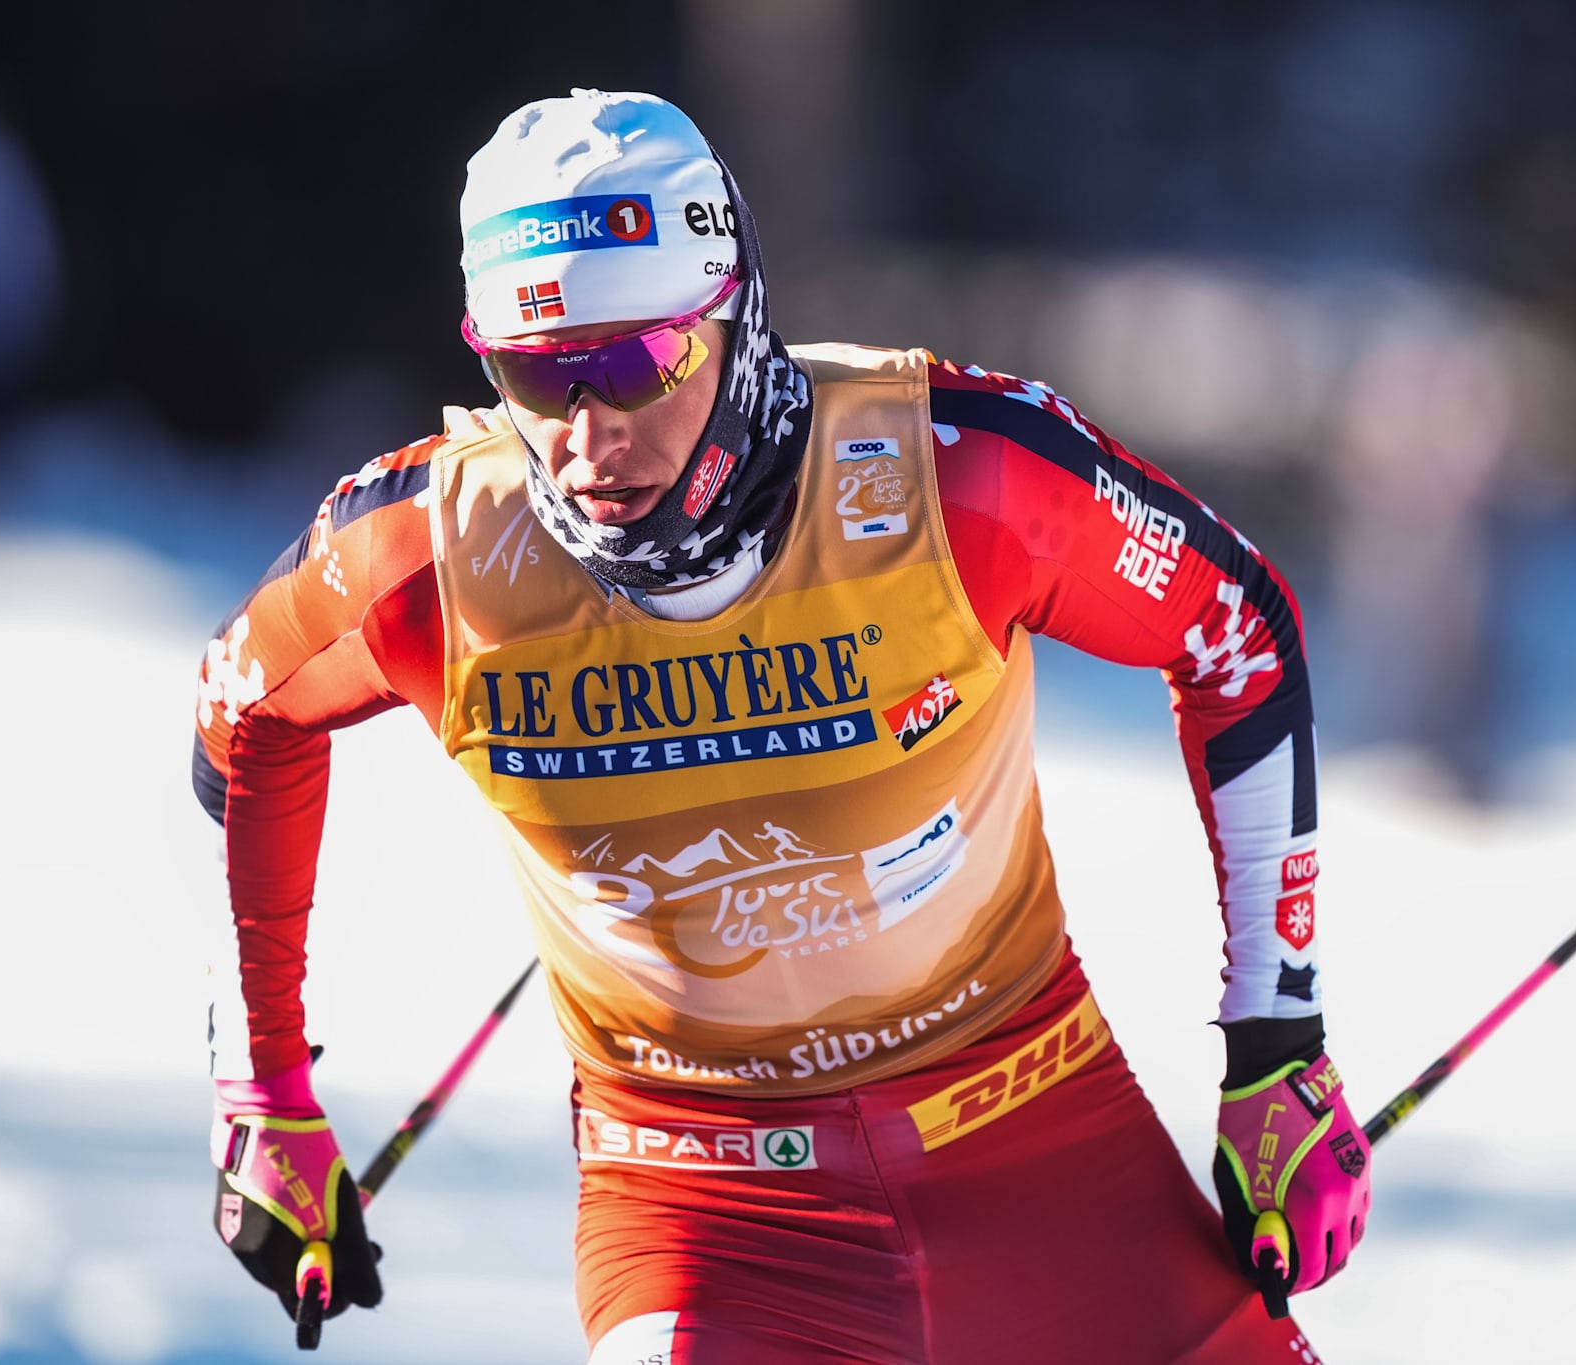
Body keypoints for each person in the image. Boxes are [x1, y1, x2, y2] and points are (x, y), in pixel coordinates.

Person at [193, 88, 1367, 1364]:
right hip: (703, 1205)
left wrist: (1277, 1046)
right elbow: (244, 715)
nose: (588, 436)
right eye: (535, 374)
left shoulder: (956, 474)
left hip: (1039, 1145)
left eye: (633, 366)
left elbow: (1235, 630)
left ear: (733, 316)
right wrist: (262, 1096)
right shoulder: (426, 558)